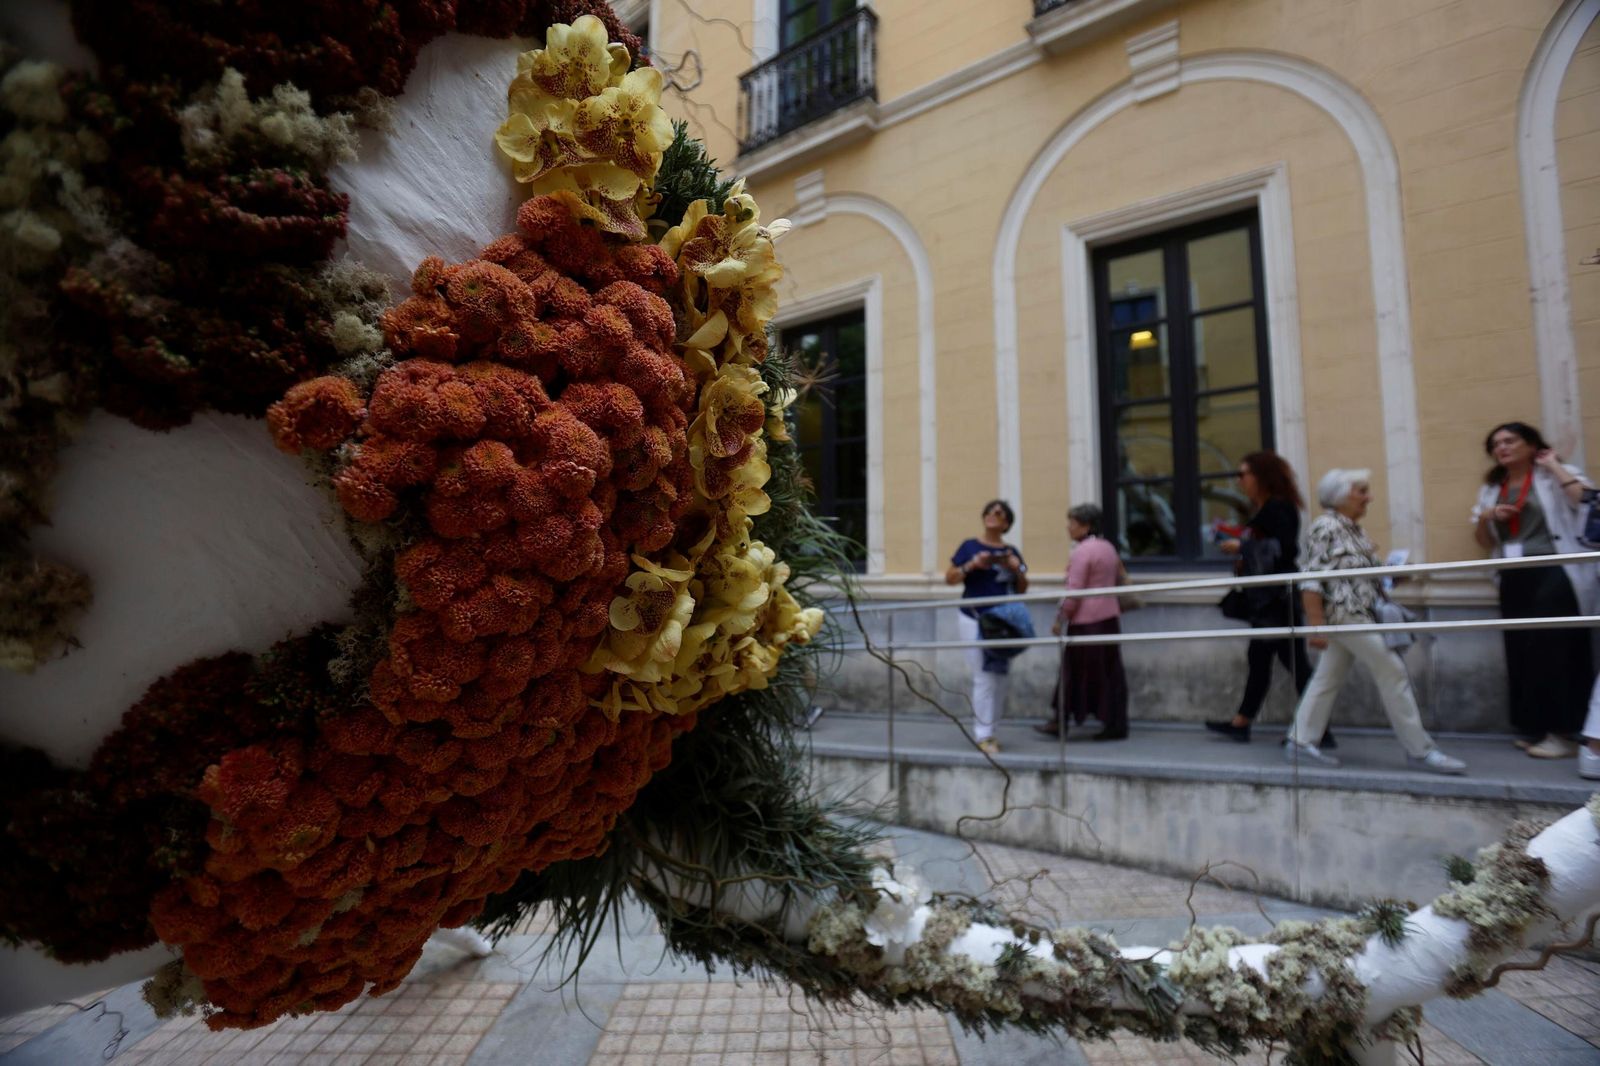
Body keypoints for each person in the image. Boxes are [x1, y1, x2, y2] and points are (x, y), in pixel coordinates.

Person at [1285, 469, 1467, 774]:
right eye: (1362, 491)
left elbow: (1362, 576)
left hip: (1359, 613)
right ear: (1341, 496)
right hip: (1344, 616)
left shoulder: (1354, 530)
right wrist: (1315, 625)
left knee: (1327, 677)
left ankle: (1300, 742)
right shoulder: (1325, 527)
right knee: (1393, 672)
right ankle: (1420, 750)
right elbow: (1310, 579)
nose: (1369, 497)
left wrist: (1394, 574)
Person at [1471, 421, 1598, 758]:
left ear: (1531, 444)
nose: (1502, 448)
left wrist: (1553, 463)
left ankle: (1566, 731)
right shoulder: (1491, 489)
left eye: (1510, 441)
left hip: (1557, 570)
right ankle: (1532, 726)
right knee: (1521, 648)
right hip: (1514, 573)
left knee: (1555, 645)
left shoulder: (1554, 475)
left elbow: (1585, 501)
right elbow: (1483, 541)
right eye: (1496, 444)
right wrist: (1487, 517)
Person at [1205, 451, 1318, 744]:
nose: (1239, 481)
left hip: (1276, 599)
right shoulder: (1270, 507)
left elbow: (1284, 550)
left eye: (1243, 475)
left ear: (1261, 476)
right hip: (1269, 599)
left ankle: (1317, 728)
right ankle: (1242, 723)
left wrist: (1241, 546)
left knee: (1294, 664)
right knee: (1263, 659)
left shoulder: (1278, 508)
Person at [1037, 503, 1129, 741]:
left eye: (1073, 523)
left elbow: (1074, 591)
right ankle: (1114, 722)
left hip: (1087, 621)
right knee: (1109, 672)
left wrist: (1060, 618)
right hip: (1109, 618)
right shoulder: (1108, 547)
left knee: (1074, 673)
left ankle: (1061, 721)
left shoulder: (1082, 552)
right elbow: (1119, 578)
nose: (1068, 527)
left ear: (1085, 525)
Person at [947, 499, 1029, 754]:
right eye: (991, 511)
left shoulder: (1011, 551)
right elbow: (950, 578)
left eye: (1000, 513)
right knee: (984, 676)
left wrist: (1017, 569)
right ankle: (983, 735)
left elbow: (1023, 588)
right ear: (984, 517)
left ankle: (992, 730)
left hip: (1003, 621)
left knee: (1001, 677)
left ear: (1006, 523)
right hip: (974, 617)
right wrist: (973, 564)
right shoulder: (970, 546)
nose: (994, 514)